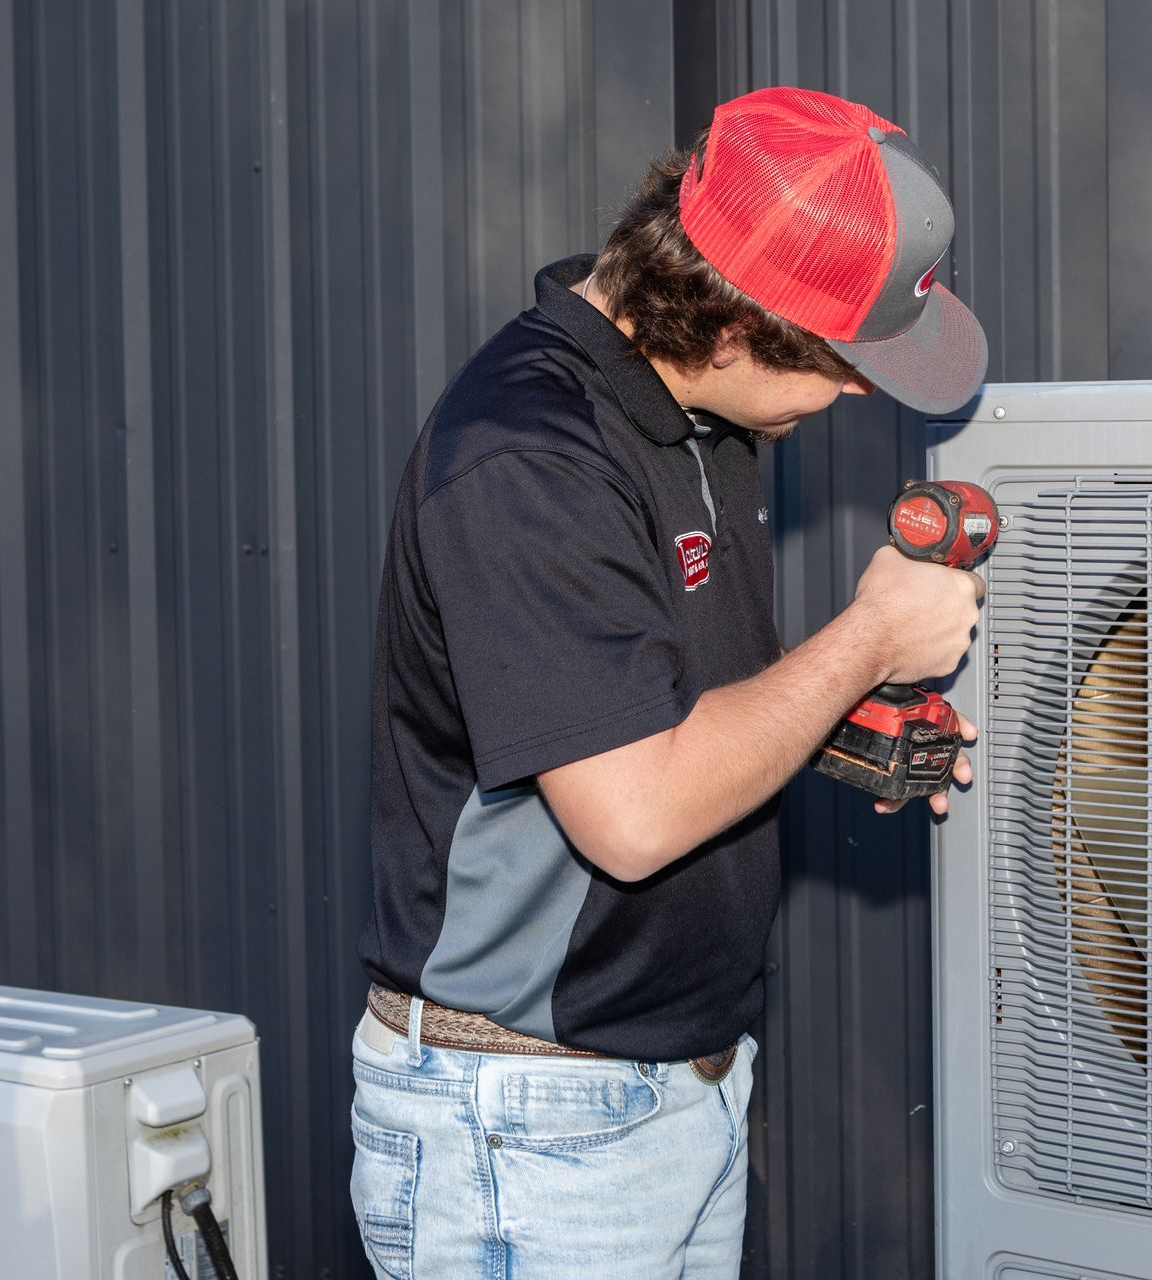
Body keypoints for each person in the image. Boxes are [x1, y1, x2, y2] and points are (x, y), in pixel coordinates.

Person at [349, 86, 989, 1279]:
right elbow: (635, 814)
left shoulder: (693, 408)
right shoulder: (527, 459)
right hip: (533, 1130)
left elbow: (665, 705)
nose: (859, 394)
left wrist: (833, 723)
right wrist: (863, 639)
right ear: (737, 327)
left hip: (675, 1092)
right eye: (848, 365)